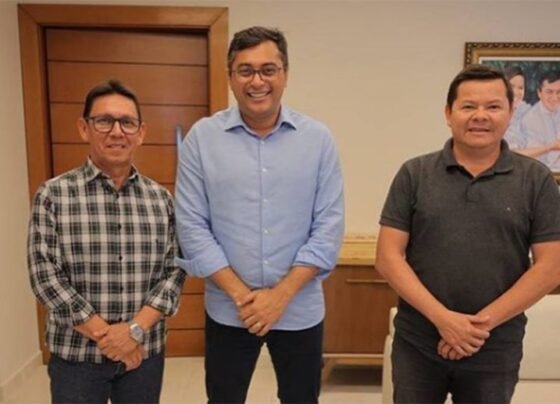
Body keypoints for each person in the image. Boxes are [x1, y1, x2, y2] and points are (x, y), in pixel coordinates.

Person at [175, 26, 344, 404]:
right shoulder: (202, 138)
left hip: (299, 307)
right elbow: (191, 225)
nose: (257, 81)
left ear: (285, 73)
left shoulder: (318, 139)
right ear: (230, 76)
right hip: (229, 308)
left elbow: (328, 227)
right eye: (245, 70)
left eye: (268, 70)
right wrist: (243, 297)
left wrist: (280, 297)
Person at [376, 64, 560, 403]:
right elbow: (388, 257)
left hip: (495, 344)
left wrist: (475, 328)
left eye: (493, 106)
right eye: (468, 106)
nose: (480, 116)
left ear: (511, 113)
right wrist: (444, 320)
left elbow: (551, 267)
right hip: (419, 341)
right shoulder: (415, 174)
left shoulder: (536, 180)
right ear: (448, 113)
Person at [28, 80, 186, 403]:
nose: (117, 131)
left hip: (144, 354)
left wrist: (134, 331)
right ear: (84, 128)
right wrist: (109, 337)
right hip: (77, 357)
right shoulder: (53, 195)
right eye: (104, 121)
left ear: (141, 132)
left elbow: (175, 271)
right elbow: (44, 276)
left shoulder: (162, 199)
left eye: (127, 122)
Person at [520, 71, 560, 169]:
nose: (555, 98)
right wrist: (552, 146)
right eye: (549, 92)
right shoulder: (530, 119)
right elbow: (533, 157)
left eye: (559, 92)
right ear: (539, 93)